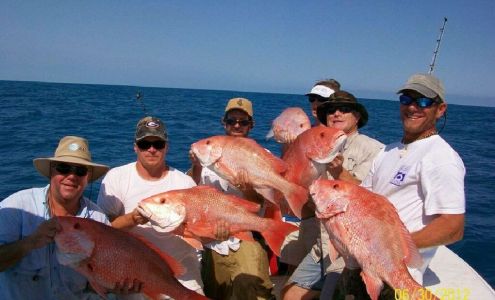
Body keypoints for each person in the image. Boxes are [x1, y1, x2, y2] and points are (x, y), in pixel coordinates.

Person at [356, 73, 465, 294]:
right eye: (406, 99)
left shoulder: (440, 157)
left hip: (397, 274)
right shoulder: (387, 151)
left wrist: (395, 248)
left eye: (423, 101)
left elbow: (453, 228)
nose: (413, 107)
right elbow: (364, 199)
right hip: (365, 264)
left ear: (440, 109)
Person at [281, 91, 384, 300]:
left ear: (357, 117)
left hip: (350, 248)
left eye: (344, 109)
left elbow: (367, 197)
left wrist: (340, 173)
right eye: (330, 110)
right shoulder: (318, 143)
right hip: (323, 244)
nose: (336, 113)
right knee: (288, 295)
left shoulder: (374, 150)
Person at [97, 116, 204, 298]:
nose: (152, 149)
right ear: (135, 147)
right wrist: (131, 219)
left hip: (183, 272)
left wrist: (216, 232)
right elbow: (101, 231)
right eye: (145, 144)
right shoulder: (116, 178)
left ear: (166, 147)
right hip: (135, 274)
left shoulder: (185, 183)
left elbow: (201, 233)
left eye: (158, 144)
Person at [0, 135, 116, 299]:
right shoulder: (17, 207)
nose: (72, 176)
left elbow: (95, 282)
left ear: (87, 178)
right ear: (51, 171)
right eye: (63, 168)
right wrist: (30, 242)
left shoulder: (99, 220)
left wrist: (116, 286)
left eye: (80, 171)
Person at [189, 97, 274, 300]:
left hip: (245, 235)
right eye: (231, 121)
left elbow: (259, 204)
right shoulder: (209, 151)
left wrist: (246, 189)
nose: (237, 125)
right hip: (212, 239)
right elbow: (191, 193)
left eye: (243, 122)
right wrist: (197, 166)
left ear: (251, 125)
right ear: (223, 122)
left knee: (252, 290)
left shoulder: (263, 155)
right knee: (216, 293)